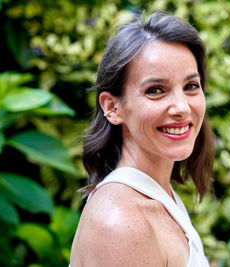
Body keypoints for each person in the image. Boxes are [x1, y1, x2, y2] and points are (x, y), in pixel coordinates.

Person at [70, 11, 214, 267]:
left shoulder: (157, 196)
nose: (181, 107)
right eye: (156, 90)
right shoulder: (121, 223)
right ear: (112, 108)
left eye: (191, 86)